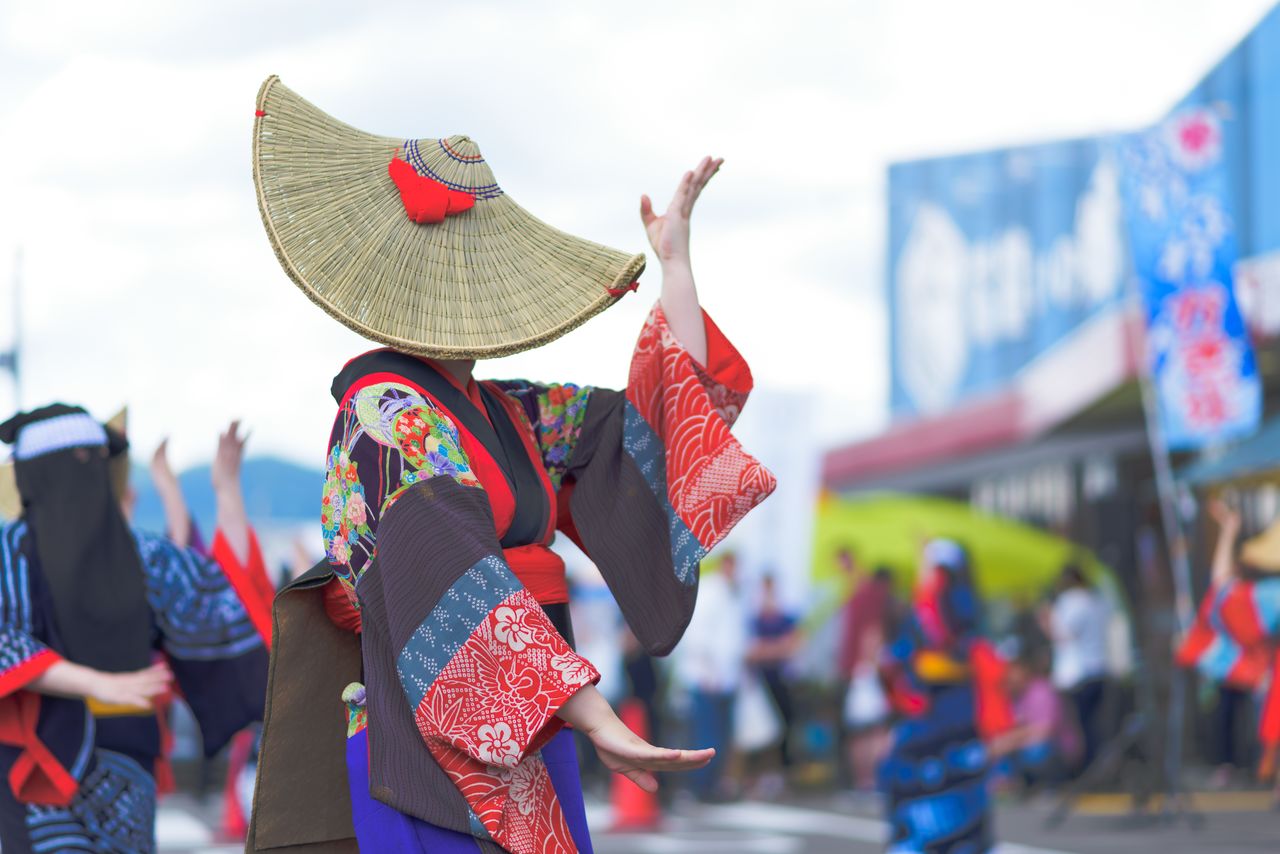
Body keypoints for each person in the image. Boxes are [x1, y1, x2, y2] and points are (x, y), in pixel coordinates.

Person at [246, 77, 775, 854]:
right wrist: (589, 710)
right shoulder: (384, 410)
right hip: (429, 719)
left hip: (531, 707)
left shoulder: (510, 411)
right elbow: (450, 572)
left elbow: (653, 429)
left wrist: (676, 270)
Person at [0, 404, 269, 853]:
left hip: (127, 757)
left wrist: (226, 491)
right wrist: (101, 684)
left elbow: (229, 609)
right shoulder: (9, 553)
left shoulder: (145, 557)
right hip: (36, 758)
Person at [879, 539, 1014, 853]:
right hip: (943, 717)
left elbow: (927, 651)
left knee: (935, 783)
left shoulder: (943, 603)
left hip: (944, 716)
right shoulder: (952, 604)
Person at [1177, 499, 1280, 790]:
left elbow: (1222, 584)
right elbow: (1224, 586)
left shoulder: (1265, 595)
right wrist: (1229, 530)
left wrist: (1230, 530)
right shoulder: (1263, 596)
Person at [1039, 563, 1109, 772]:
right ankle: (1096, 767)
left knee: (1079, 727)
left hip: (1077, 674)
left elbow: (1062, 635)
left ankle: (1084, 770)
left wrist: (1045, 618)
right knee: (1093, 725)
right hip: (1099, 668)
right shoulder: (1097, 601)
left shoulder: (1071, 602)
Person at [838, 557, 896, 791]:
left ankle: (863, 780)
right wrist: (875, 664)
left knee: (858, 733)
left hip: (850, 669)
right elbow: (872, 634)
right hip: (867, 672)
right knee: (875, 729)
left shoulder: (857, 596)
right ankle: (871, 779)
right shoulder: (876, 597)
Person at [1000, 649, 1080, 790]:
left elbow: (1045, 731)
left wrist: (1011, 741)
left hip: (1061, 749)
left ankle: (1054, 783)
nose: (1010, 680)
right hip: (1034, 745)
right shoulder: (1017, 697)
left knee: (1035, 750)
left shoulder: (1041, 692)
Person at [746, 574, 801, 781]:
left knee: (783, 727)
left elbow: (791, 647)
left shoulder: (785, 619)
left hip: (780, 680)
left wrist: (767, 650)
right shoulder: (754, 620)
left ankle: (780, 772)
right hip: (760, 682)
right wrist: (776, 649)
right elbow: (752, 651)